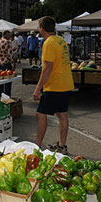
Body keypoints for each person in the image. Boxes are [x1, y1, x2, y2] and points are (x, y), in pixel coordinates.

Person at [33, 16, 74, 154]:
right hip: (66, 83)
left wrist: (38, 89)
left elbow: (47, 68)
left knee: (41, 114)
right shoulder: (60, 40)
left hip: (54, 85)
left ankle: (37, 146)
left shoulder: (48, 43)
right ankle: (62, 145)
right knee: (62, 115)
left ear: (41, 28)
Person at [0, 30, 13, 96]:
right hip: (6, 64)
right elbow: (10, 55)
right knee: (7, 83)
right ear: (6, 35)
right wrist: (12, 64)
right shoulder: (8, 42)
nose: (10, 36)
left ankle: (0, 98)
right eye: (9, 35)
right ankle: (7, 99)